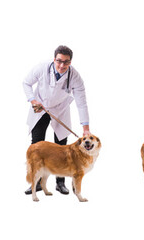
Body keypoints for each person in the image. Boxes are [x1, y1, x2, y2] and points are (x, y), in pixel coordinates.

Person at [22, 45, 91, 195]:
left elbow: (82, 103)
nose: (62, 65)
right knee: (37, 144)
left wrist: (85, 128)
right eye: (59, 61)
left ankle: (60, 183)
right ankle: (36, 183)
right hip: (40, 108)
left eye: (66, 62)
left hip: (60, 110)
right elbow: (26, 83)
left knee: (62, 147)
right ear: (54, 59)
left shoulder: (75, 77)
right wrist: (33, 100)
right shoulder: (42, 68)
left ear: (70, 62)